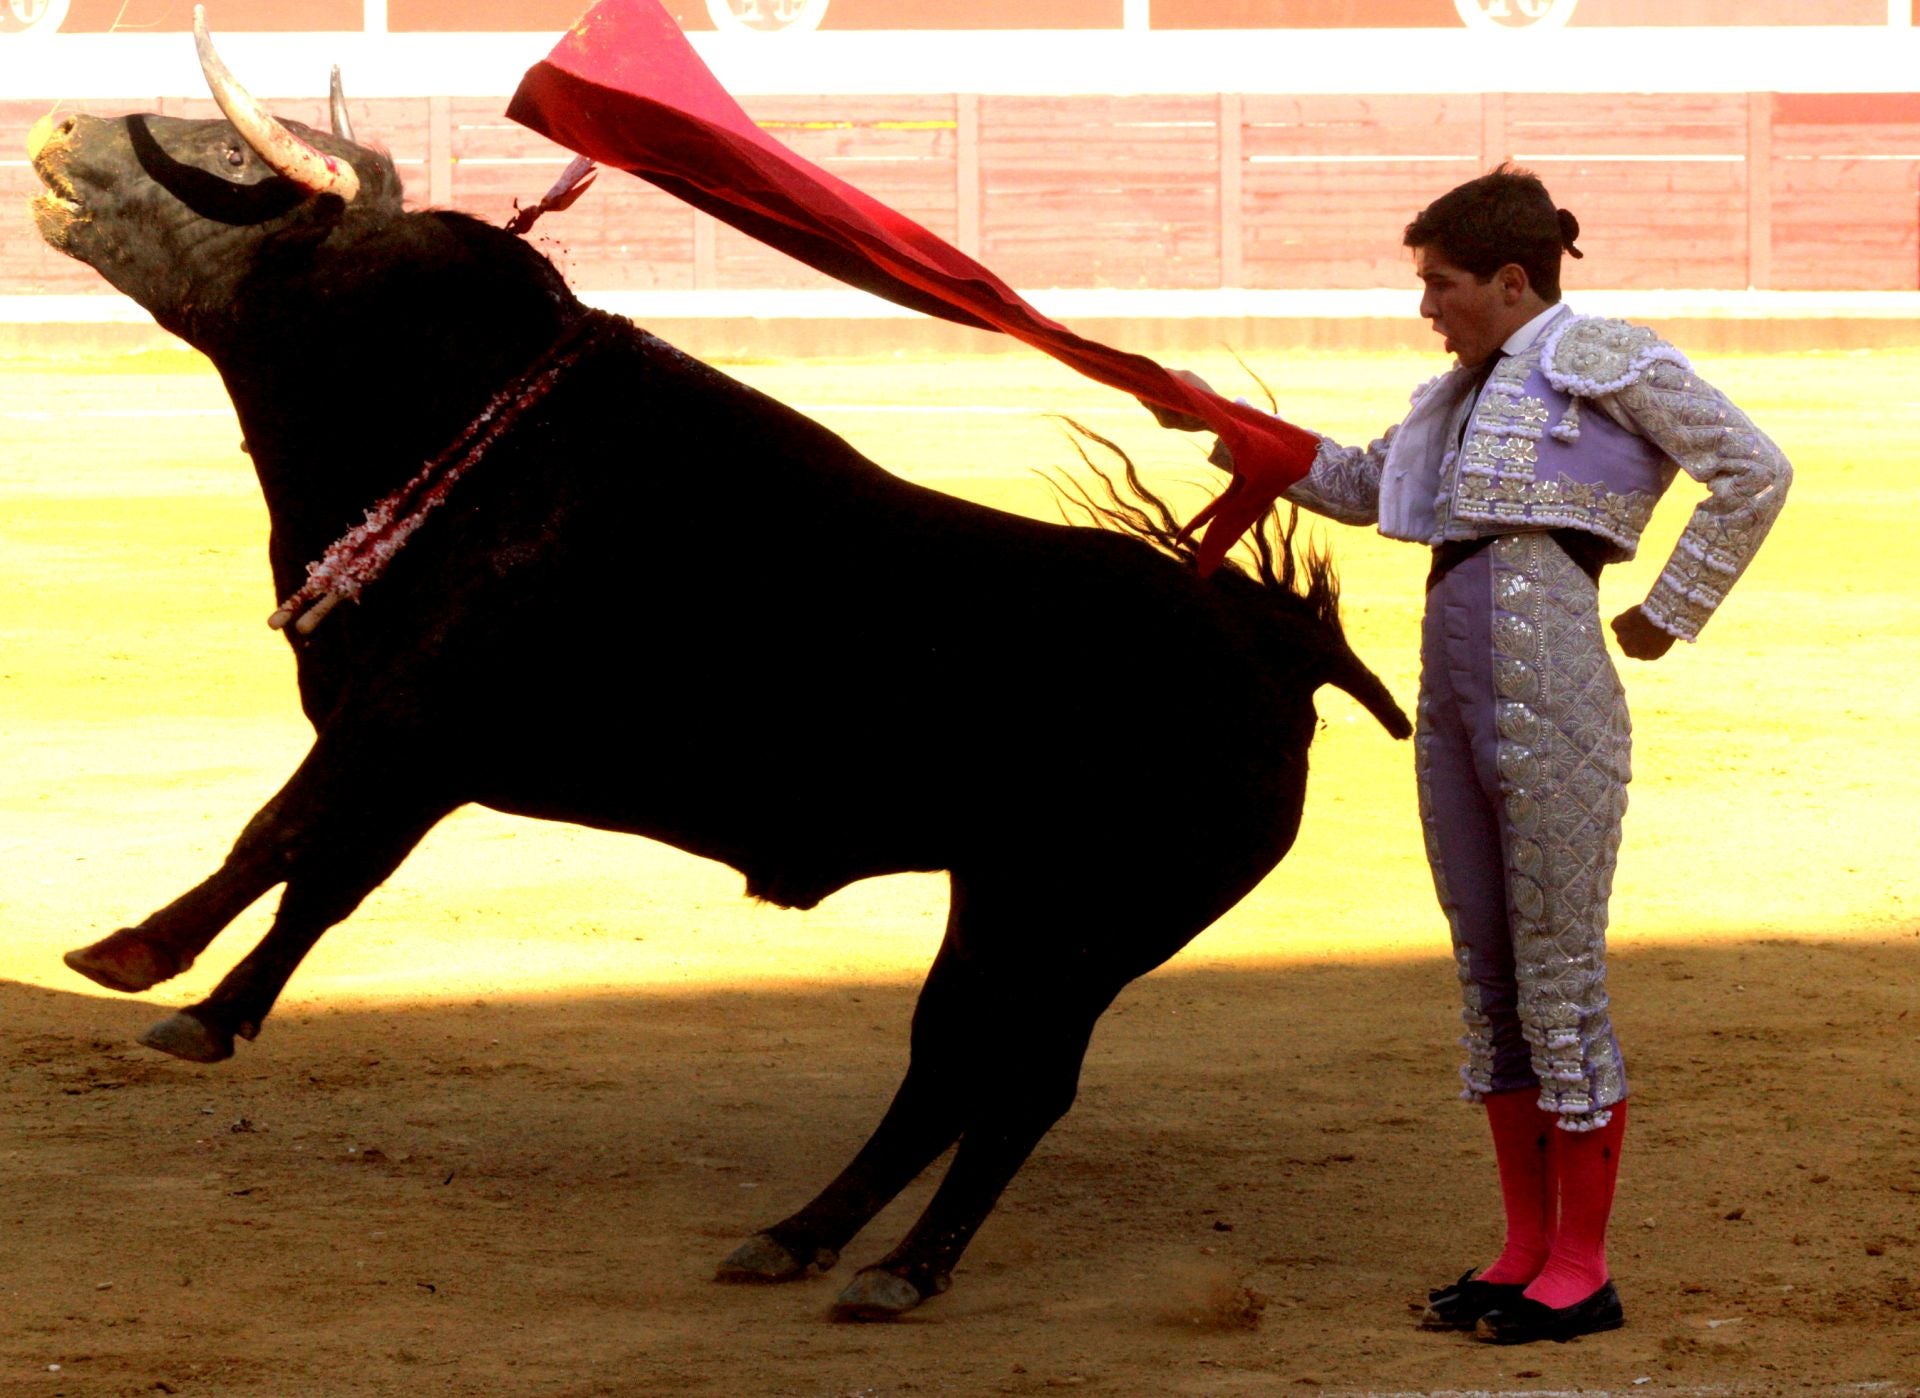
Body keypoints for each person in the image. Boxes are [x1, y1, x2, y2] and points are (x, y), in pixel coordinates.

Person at [1150, 166, 1790, 1344]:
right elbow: (1359, 483)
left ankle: (1583, 1268)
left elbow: (1755, 469)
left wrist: (1671, 608)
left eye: (1440, 284)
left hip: (1551, 679)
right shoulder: (1456, 395)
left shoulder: (1607, 357)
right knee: (1492, 975)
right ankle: (1522, 1250)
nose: (1426, 307)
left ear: (1508, 280)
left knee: (1557, 974)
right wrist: (1218, 419)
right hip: (1453, 686)